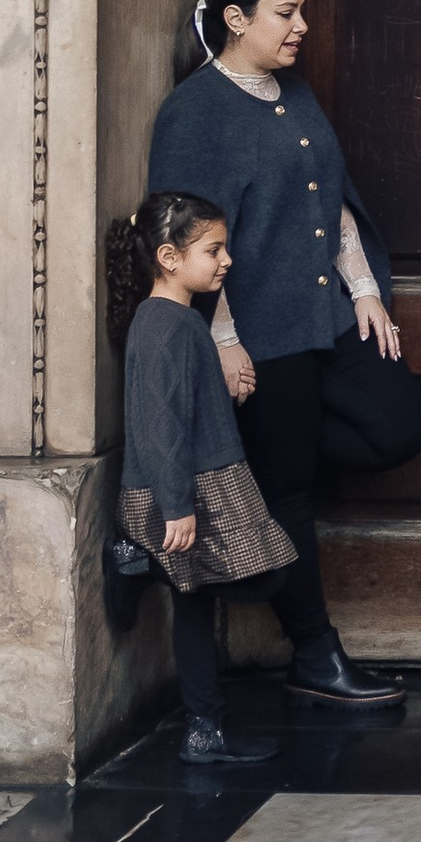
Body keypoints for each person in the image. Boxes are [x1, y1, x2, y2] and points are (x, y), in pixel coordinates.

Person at [144, 0, 421, 714]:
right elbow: (188, 237)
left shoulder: (291, 91)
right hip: (260, 335)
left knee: (395, 427)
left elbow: (329, 194)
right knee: (292, 490)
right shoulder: (194, 111)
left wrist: (363, 287)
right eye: (286, 12)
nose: (302, 26)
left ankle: (270, 475)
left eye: (300, 11)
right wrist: (223, 336)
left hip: (322, 316)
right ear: (236, 19)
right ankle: (316, 655)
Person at [106, 187, 292, 769]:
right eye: (213, 250)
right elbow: (161, 426)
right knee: (260, 578)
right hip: (185, 489)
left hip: (203, 478)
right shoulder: (166, 327)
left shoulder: (176, 322)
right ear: (169, 258)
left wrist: (225, 392)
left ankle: (204, 730)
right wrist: (175, 507)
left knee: (204, 593)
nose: (226, 260)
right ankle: (136, 558)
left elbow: (184, 406)